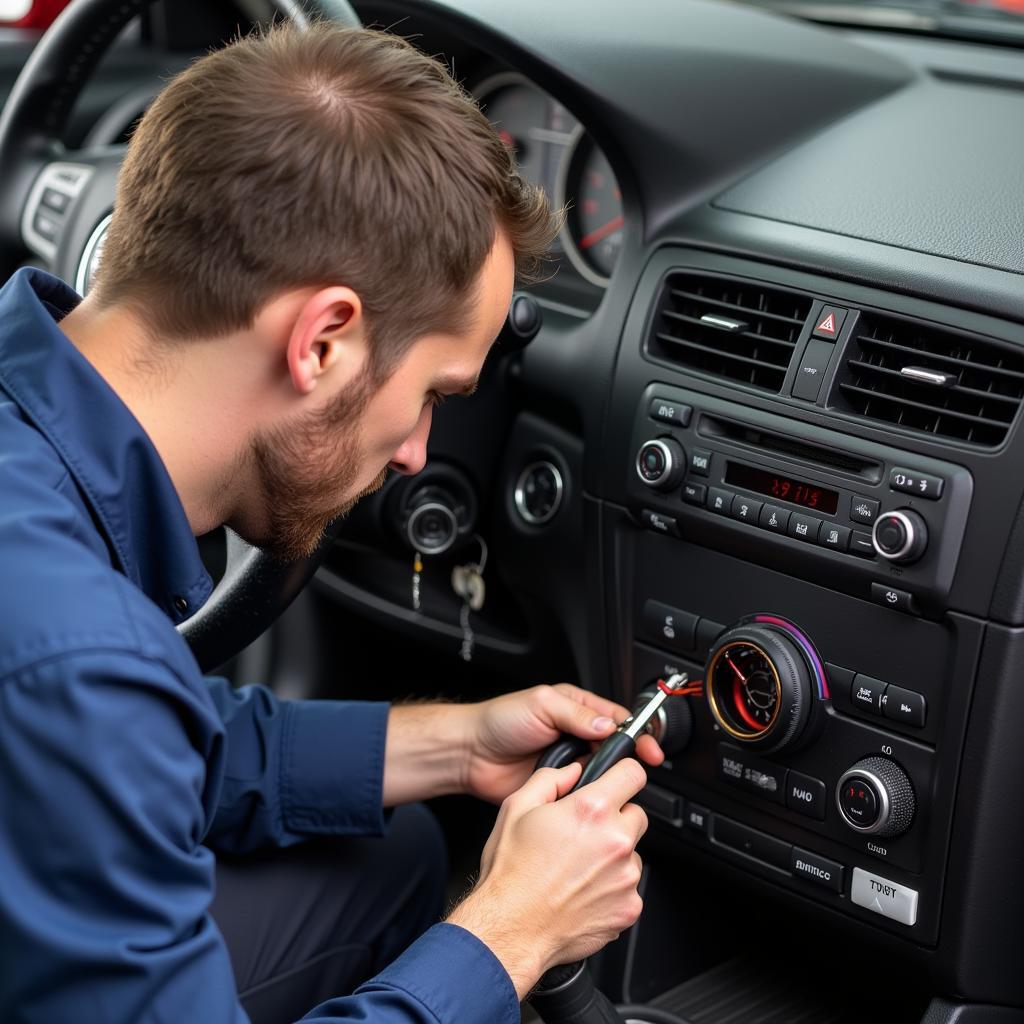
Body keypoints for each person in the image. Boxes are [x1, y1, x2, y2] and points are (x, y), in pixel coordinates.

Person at [0, 21, 663, 1024]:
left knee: (387, 848)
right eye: (434, 391)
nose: (416, 454)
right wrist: (514, 931)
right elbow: (93, 706)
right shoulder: (72, 656)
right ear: (323, 341)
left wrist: (452, 746)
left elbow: (137, 745)